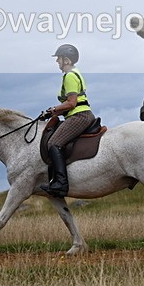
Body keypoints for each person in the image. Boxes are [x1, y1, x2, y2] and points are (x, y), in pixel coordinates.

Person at [40, 44, 96, 198]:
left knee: (54, 143)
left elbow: (71, 103)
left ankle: (61, 184)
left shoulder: (70, 76)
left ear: (66, 60)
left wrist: (54, 110)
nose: (57, 61)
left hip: (79, 115)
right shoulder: (73, 74)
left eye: (59, 58)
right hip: (78, 114)